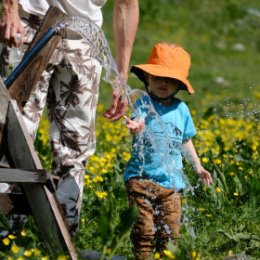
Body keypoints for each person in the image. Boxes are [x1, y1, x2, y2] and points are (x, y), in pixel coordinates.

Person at [0, 0, 139, 236]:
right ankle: (5, 235)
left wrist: (121, 75)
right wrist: (10, 10)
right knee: (12, 135)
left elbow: (127, 3)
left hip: (84, 35)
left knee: (75, 147)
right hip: (29, 24)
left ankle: (61, 239)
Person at [123, 43, 213, 259]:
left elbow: (186, 141)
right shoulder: (144, 103)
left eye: (170, 79)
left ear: (179, 85)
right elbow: (137, 123)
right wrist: (136, 128)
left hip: (172, 184)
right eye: (157, 77)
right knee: (144, 230)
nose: (163, 83)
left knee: (171, 233)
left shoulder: (182, 110)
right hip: (141, 179)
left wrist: (198, 166)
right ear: (147, 78)